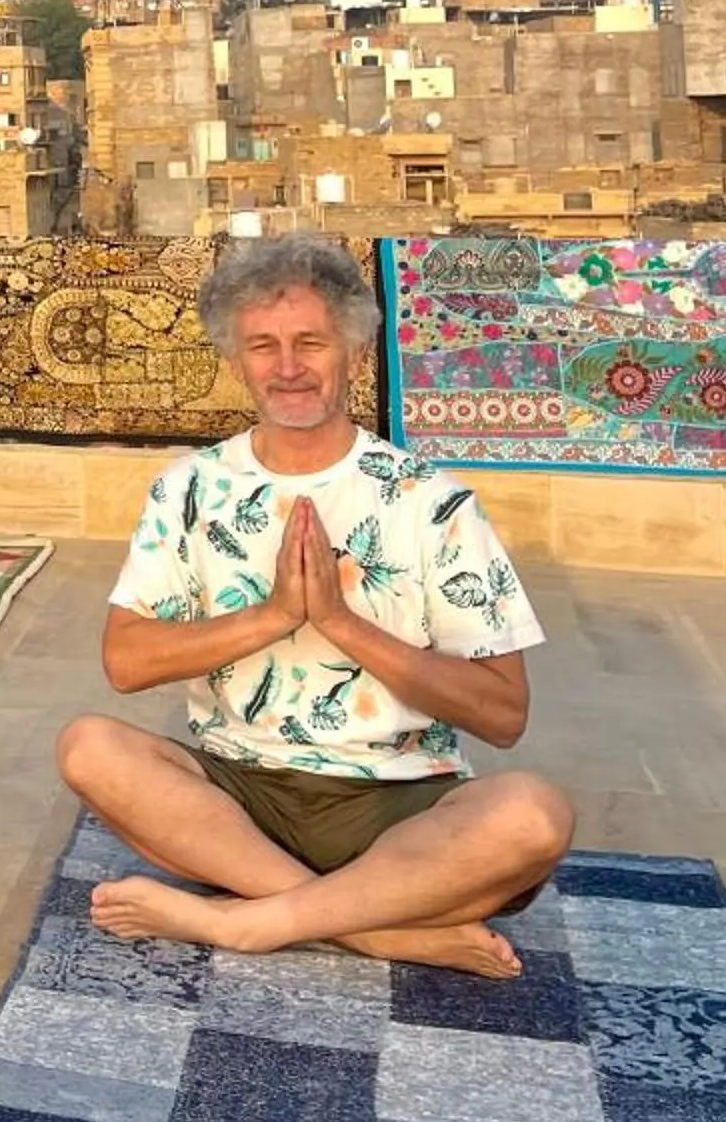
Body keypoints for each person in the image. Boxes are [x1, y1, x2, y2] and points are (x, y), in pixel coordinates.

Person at [56, 232, 574, 976]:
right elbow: (126, 662)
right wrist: (272, 617)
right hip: (238, 801)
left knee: (533, 815)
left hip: (401, 806)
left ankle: (244, 921)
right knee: (89, 747)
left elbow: (503, 715)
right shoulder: (190, 489)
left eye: (311, 342)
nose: (289, 367)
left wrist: (339, 623)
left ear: (356, 355)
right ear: (236, 363)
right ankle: (373, 928)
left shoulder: (432, 502)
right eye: (263, 346)